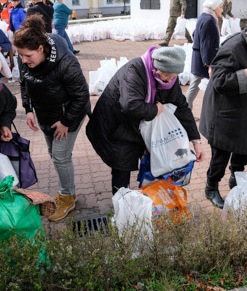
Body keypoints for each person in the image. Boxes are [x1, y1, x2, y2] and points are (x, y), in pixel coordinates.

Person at [86, 46, 205, 195]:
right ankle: (122, 205)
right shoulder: (134, 71)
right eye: (167, 76)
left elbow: (181, 107)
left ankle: (146, 202)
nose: (170, 80)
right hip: (117, 126)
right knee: (122, 166)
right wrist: (155, 110)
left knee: (152, 163)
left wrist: (196, 141)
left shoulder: (169, 77)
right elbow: (130, 105)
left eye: (174, 77)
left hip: (139, 126)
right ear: (157, 69)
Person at [13, 14, 89, 222]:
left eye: (28, 56)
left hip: (68, 113)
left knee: (61, 155)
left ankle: (67, 197)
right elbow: (24, 82)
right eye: (21, 56)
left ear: (41, 49)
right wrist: (28, 108)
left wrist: (66, 122)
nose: (24, 60)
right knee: (54, 154)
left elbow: (81, 96)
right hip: (45, 112)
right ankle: (66, 190)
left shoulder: (67, 63)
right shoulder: (25, 57)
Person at [199, 19, 247, 208]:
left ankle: (237, 180)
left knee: (243, 151)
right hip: (225, 113)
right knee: (221, 154)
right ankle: (211, 187)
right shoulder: (233, 48)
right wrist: (246, 73)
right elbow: (218, 80)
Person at [186, 0, 223, 111]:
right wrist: (209, 64)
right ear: (214, 7)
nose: (222, 9)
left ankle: (186, 110)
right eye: (221, 7)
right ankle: (185, 111)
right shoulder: (209, 20)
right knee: (195, 86)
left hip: (199, 56)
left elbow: (195, 34)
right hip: (204, 58)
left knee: (195, 85)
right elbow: (206, 44)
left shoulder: (203, 16)